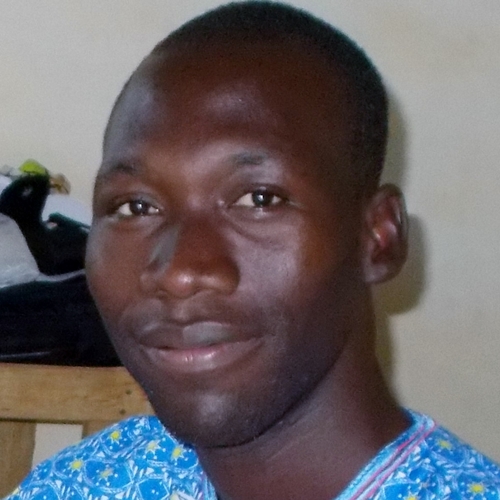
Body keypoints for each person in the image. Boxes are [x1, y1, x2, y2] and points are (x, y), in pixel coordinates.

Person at [6, 2, 500, 499]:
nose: (178, 272)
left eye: (259, 200)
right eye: (136, 207)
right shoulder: (80, 484)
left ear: (378, 237)